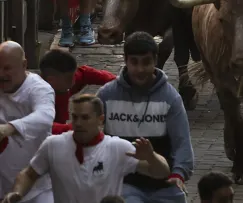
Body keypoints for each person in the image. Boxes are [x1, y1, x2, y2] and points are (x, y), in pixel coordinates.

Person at [1, 94, 171, 203]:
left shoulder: (117, 148)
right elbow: (29, 173)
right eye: (75, 117)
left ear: (100, 120)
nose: (79, 123)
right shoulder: (53, 144)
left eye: (85, 117)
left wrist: (151, 156)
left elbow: (161, 172)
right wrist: (16, 193)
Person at [97, 32, 194, 203]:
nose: (140, 69)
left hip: (165, 183)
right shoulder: (106, 95)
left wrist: (179, 173)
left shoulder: (170, 98)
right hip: (123, 183)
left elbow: (182, 142)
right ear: (125, 60)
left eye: (146, 62)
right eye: (134, 62)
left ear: (155, 61)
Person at [0, 42, 55, 203]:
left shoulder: (39, 88)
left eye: (7, 68)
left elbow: (45, 116)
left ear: (24, 65)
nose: (1, 74)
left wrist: (9, 128)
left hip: (37, 188)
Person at [38, 49, 115, 135]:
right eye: (69, 78)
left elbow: (87, 73)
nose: (74, 81)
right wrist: (72, 128)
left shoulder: (65, 80)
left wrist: (117, 83)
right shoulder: (36, 96)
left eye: (74, 75)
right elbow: (39, 126)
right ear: (51, 80)